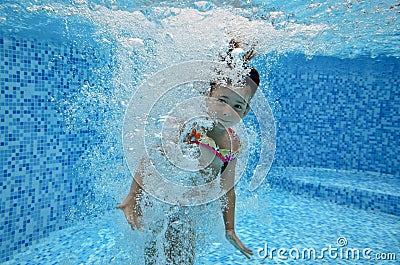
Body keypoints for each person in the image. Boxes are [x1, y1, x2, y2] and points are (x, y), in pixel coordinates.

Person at [117, 40, 260, 264]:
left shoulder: (232, 143)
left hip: (191, 210)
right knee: (155, 251)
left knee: (184, 255)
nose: (227, 111)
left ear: (246, 111)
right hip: (164, 201)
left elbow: (228, 190)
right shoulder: (191, 127)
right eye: (222, 100)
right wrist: (134, 195)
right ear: (208, 96)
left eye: (237, 105)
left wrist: (230, 229)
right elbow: (151, 159)